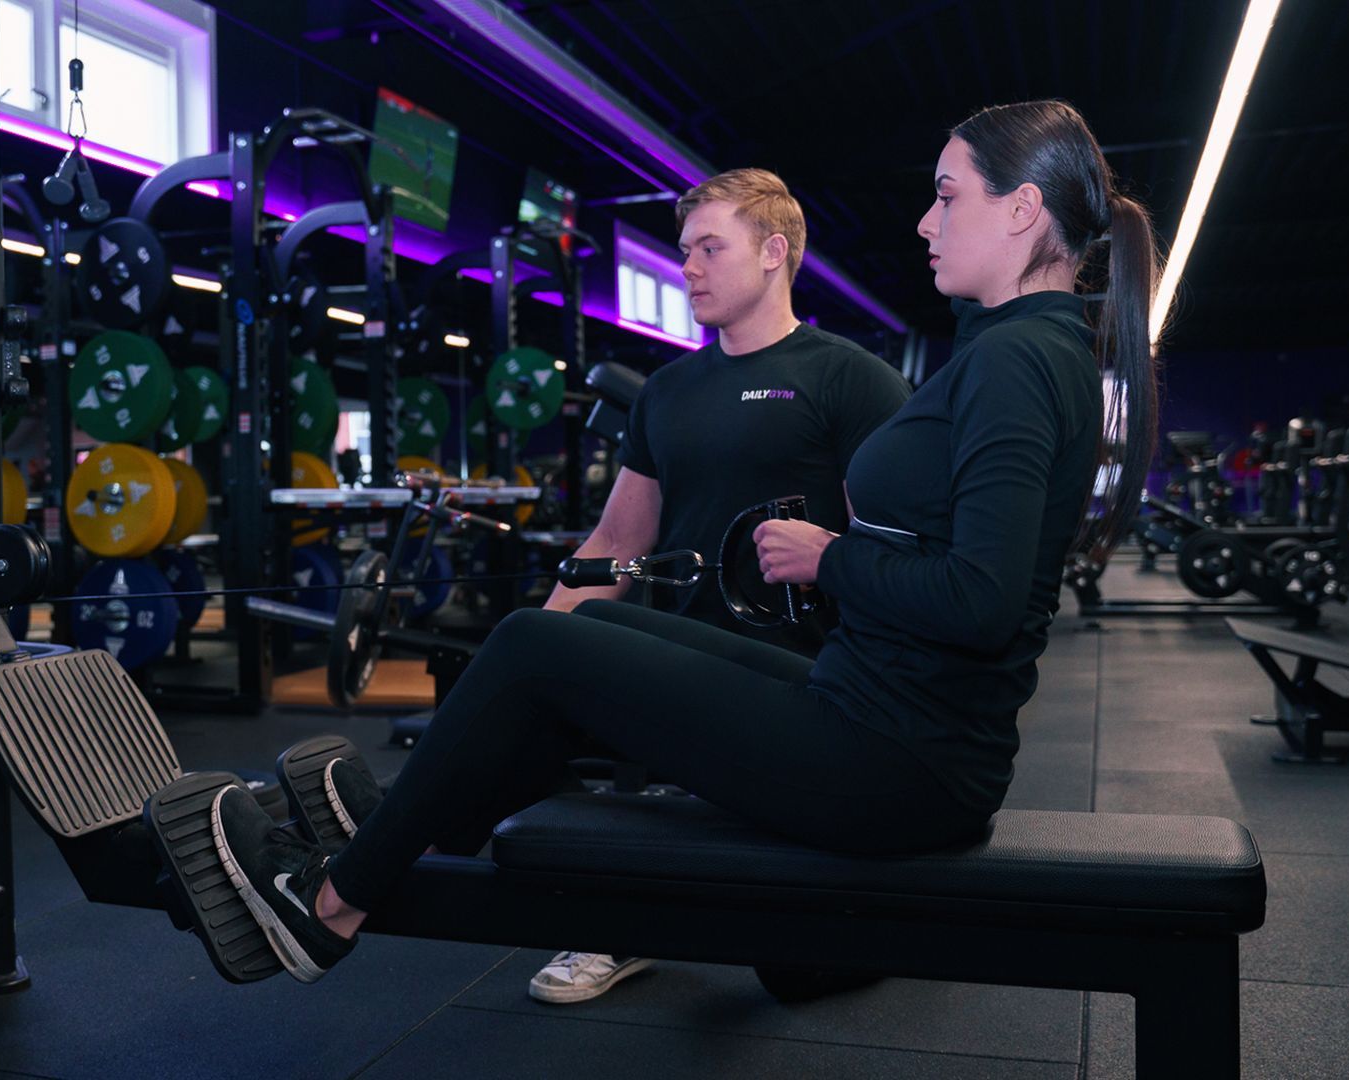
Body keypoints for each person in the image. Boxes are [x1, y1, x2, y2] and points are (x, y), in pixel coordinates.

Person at [192, 98, 1162, 987]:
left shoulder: (1012, 359)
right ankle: (404, 828)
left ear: (1023, 210)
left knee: (538, 648)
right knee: (574, 641)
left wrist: (829, 559)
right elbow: (626, 538)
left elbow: (983, 599)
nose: (926, 221)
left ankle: (329, 903)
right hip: (879, 715)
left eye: (947, 196)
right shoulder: (1025, 348)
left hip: (897, 760)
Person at [526, 168, 909, 1002]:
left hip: (809, 674)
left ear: (774, 253)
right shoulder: (665, 392)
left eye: (709, 248)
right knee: (526, 707)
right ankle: (619, 921)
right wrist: (528, 649)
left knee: (803, 976)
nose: (688, 268)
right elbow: (619, 540)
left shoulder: (852, 380)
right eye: (684, 250)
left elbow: (899, 543)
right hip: (686, 655)